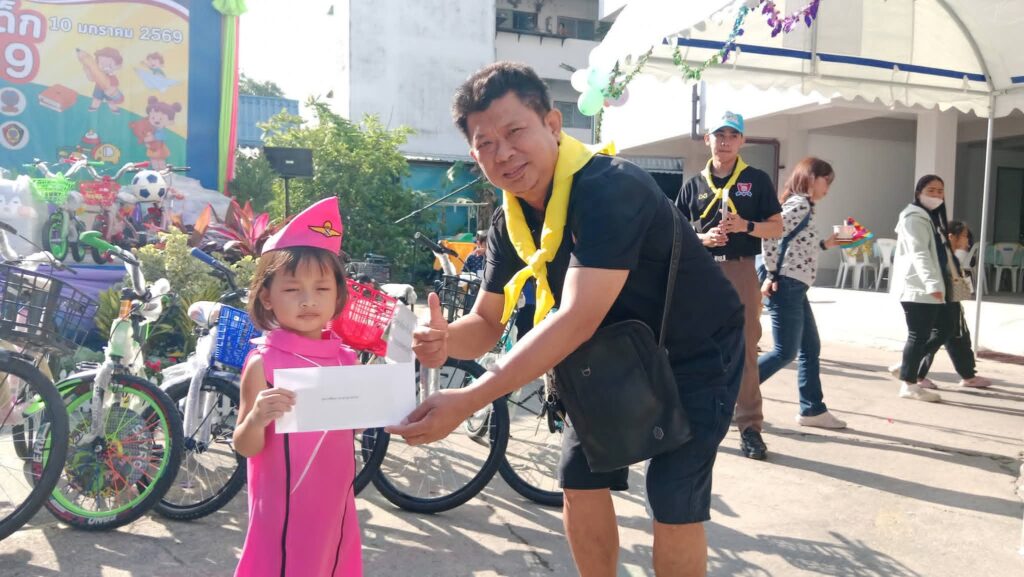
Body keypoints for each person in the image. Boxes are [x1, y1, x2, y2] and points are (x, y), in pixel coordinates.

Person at [389, 62, 744, 577]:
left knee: (672, 496)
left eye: (515, 131)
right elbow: (486, 323)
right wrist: (444, 342)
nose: (503, 153)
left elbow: (576, 317)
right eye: (486, 144)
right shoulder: (510, 220)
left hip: (694, 349)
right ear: (474, 155)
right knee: (579, 480)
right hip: (607, 354)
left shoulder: (609, 188)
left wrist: (468, 399)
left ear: (553, 124)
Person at [233, 197, 363, 577]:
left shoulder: (346, 360)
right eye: (292, 290)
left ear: (337, 294)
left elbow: (350, 430)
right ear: (267, 297)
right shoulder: (264, 363)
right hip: (281, 509)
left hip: (335, 505)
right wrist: (257, 417)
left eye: (321, 288)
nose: (308, 301)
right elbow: (245, 445)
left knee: (330, 563)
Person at [676, 111, 783, 460]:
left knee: (746, 348)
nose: (725, 142)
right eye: (719, 135)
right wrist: (702, 238)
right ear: (708, 139)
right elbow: (677, 230)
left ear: (742, 141)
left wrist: (746, 226)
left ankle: (750, 427)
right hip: (702, 271)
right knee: (696, 346)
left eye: (732, 135)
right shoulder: (694, 184)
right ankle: (695, 420)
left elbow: (777, 227)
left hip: (740, 270)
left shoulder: (756, 180)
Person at [758, 157, 847, 429]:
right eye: (826, 181)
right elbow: (769, 234)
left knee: (809, 347)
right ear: (811, 178)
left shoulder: (802, 205)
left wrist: (826, 244)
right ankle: (731, 394)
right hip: (786, 284)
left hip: (794, 284)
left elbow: (796, 247)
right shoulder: (799, 204)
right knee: (785, 351)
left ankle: (812, 409)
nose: (827, 188)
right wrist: (771, 274)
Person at [889, 220, 991, 389]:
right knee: (942, 333)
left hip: (943, 298)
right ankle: (912, 370)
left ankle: (965, 375)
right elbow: (949, 277)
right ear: (951, 236)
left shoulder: (946, 251)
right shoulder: (940, 252)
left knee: (951, 334)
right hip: (937, 298)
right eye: (964, 236)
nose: (967, 241)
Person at [890, 175, 964, 403]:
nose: (936, 195)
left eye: (940, 191)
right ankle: (909, 384)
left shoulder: (930, 218)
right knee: (919, 334)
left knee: (946, 327)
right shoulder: (914, 218)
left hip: (931, 286)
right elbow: (919, 252)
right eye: (931, 190)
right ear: (918, 192)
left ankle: (907, 366)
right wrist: (931, 283)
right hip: (919, 286)